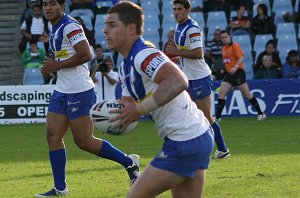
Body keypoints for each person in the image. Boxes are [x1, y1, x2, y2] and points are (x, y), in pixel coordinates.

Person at [103, 1, 214, 197]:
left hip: (185, 140)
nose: (105, 31)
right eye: (105, 25)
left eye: (112, 25)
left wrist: (138, 110)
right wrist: (109, 116)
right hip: (196, 136)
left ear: (131, 29)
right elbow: (127, 104)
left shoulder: (144, 54)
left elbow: (178, 81)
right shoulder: (125, 65)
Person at [35, 0, 140, 196]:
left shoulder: (71, 26)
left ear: (62, 7)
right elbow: (65, 57)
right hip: (62, 90)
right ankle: (60, 189)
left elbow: (85, 54)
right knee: (52, 136)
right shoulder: (55, 28)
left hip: (80, 91)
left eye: (52, 4)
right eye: (44, 4)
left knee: (84, 141)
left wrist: (56, 66)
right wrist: (51, 68)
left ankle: (129, 162)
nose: (47, 8)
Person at [164, 0, 229, 159]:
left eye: (179, 9)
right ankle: (190, 149)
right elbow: (188, 51)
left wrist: (177, 52)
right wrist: (180, 60)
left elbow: (198, 53)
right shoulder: (180, 27)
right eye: (174, 9)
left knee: (206, 116)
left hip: (199, 78)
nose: (176, 12)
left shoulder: (192, 28)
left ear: (188, 10)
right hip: (189, 77)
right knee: (187, 114)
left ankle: (222, 149)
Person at [215, 29, 266, 121]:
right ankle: (217, 117)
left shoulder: (235, 45)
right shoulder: (224, 49)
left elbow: (241, 57)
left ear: (229, 37)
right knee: (221, 94)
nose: (224, 39)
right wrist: (224, 70)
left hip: (238, 73)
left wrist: (235, 67)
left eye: (226, 37)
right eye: (222, 38)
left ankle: (261, 113)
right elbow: (227, 62)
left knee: (247, 95)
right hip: (229, 75)